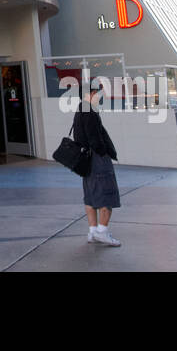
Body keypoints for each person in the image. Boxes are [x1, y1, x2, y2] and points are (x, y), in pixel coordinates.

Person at [74, 93, 122, 246]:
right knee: (106, 194)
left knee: (90, 196)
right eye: (97, 93)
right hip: (97, 160)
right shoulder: (90, 112)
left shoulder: (80, 109)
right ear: (90, 94)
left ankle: (93, 231)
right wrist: (103, 152)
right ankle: (102, 232)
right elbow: (95, 139)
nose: (100, 96)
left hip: (87, 161)